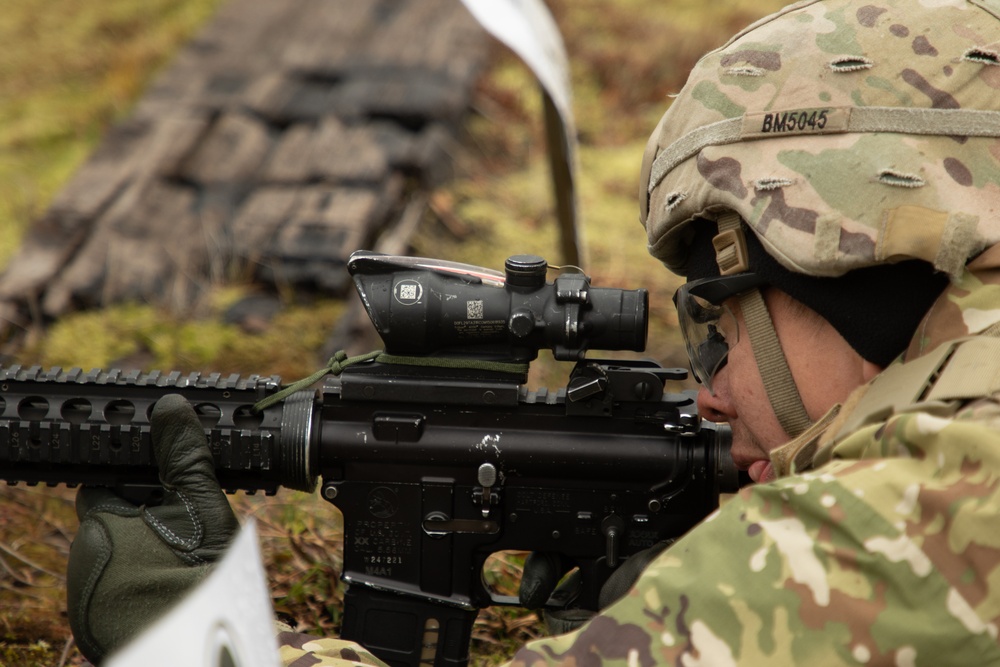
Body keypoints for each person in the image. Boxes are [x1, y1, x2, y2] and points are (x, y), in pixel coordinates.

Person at [68, 0, 1000, 664]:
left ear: (851, 268)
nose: (708, 385)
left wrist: (195, 637)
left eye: (719, 321)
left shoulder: (888, 532)